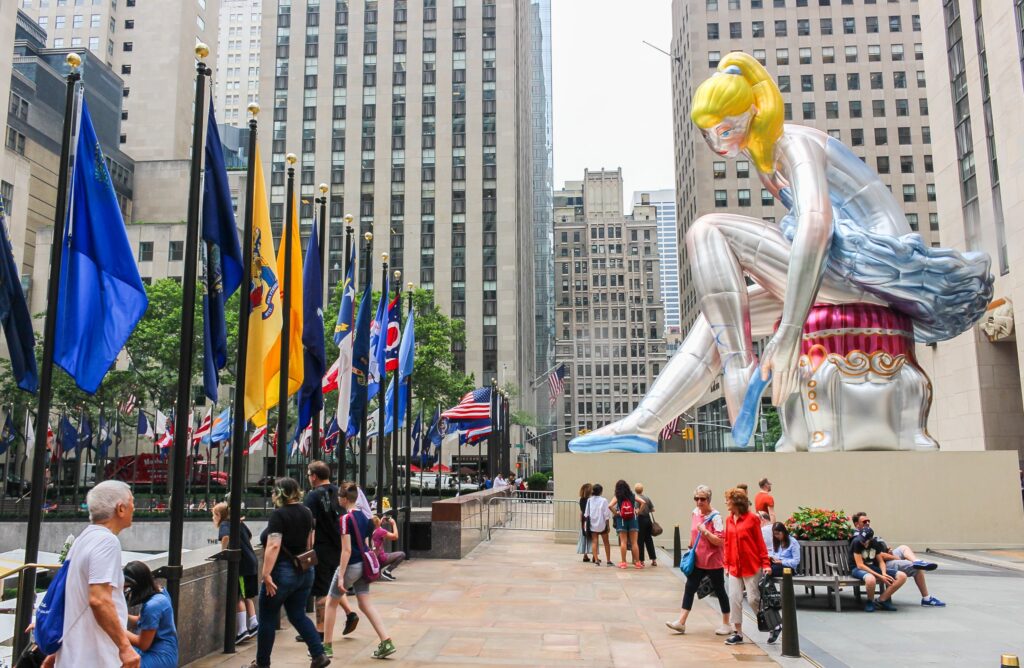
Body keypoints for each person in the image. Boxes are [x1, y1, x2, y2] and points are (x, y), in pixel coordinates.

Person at [568, 52, 991, 455]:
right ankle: (644, 424)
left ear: (752, 111)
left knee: (708, 230)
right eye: (709, 134)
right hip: (843, 279)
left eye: (726, 130)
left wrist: (788, 335)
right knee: (715, 319)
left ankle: (740, 370)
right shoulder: (766, 155)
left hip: (865, 272)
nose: (718, 145)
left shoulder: (792, 141)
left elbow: (815, 225)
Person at [50, 480, 138, 668]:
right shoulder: (106, 542)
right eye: (132, 502)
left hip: (75, 655)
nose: (134, 507)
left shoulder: (83, 539)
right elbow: (99, 599)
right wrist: (125, 647)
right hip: (95, 657)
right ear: (120, 509)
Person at [249, 477, 329, 668]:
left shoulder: (279, 515)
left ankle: (262, 664)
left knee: (268, 617)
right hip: (304, 571)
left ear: (281, 493)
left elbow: (273, 545)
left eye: (274, 491)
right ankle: (319, 655)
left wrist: (266, 574)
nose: (272, 494)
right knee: (297, 615)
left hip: (282, 572)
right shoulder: (307, 512)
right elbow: (310, 542)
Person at [328, 483, 396, 659]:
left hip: (351, 565)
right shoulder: (365, 518)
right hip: (365, 564)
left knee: (331, 602)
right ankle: (386, 640)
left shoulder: (344, 519)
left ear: (343, 499)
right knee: (365, 604)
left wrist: (341, 576)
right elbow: (364, 542)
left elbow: (346, 550)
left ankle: (325, 647)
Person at [665, 485, 731, 636]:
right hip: (698, 560)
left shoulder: (716, 517)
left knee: (720, 591)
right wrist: (689, 549)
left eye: (702, 499)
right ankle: (681, 622)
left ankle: (726, 623)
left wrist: (705, 531)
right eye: (696, 498)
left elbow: (720, 541)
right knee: (689, 588)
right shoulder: (695, 513)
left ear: (709, 499)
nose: (699, 502)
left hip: (713, 561)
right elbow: (693, 532)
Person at [303, 461, 358, 641]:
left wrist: (307, 549)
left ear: (314, 476)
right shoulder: (339, 492)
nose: (308, 477)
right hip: (341, 547)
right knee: (332, 585)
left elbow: (311, 526)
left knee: (321, 592)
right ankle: (350, 613)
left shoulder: (312, 496)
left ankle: (319, 633)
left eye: (309, 474)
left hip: (322, 548)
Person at [851, 512, 944, 607]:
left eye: (868, 520)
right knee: (916, 568)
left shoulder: (869, 533)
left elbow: (878, 549)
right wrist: (894, 557)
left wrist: (888, 550)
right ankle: (926, 598)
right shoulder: (858, 538)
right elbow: (877, 556)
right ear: (856, 524)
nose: (867, 522)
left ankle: (916, 561)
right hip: (881, 563)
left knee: (904, 548)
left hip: (885, 557)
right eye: (864, 521)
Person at [722, 487, 770, 645]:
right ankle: (738, 633)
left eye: (728, 500)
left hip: (751, 565)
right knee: (734, 598)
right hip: (734, 566)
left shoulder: (752, 519)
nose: (726, 502)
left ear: (736, 502)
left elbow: (760, 543)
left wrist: (765, 564)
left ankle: (772, 624)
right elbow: (727, 544)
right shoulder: (728, 519)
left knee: (753, 599)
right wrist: (727, 564)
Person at [211, 502, 258, 643]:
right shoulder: (238, 523)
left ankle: (242, 630)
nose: (213, 518)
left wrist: (224, 551)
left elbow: (225, 537)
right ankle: (254, 623)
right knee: (247, 596)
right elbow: (249, 536)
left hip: (242, 565)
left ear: (219, 515)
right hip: (251, 561)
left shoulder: (225, 524)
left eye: (214, 515)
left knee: (238, 597)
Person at [123, 561, 177, 668]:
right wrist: (118, 616)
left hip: (159, 656)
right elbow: (141, 620)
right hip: (161, 649)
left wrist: (116, 629)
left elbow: (143, 644)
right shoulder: (160, 592)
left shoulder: (153, 606)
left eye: (127, 587)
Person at [849, 526, 907, 612]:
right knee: (871, 579)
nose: (862, 541)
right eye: (861, 539)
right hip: (857, 569)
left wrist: (883, 573)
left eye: (864, 540)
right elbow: (860, 565)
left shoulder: (875, 543)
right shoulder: (856, 542)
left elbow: (881, 561)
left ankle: (882, 600)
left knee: (902, 576)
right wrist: (880, 576)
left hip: (872, 567)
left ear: (870, 539)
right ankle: (870, 601)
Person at [608, 479, 646, 569]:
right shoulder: (632, 495)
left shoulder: (617, 496)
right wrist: (638, 512)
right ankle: (637, 563)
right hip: (633, 519)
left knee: (623, 542)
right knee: (634, 542)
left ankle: (624, 562)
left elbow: (610, 506)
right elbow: (643, 502)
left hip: (622, 520)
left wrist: (616, 513)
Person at [370, 514, 406, 581]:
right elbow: (395, 536)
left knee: (387, 554)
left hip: (373, 559)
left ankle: (378, 572)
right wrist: (394, 524)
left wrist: (380, 523)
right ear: (378, 522)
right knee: (402, 554)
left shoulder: (372, 531)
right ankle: (387, 572)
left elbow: (377, 528)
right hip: (380, 558)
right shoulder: (380, 531)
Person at [585, 483, 613, 566]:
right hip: (602, 524)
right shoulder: (604, 500)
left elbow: (586, 513)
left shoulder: (589, 500)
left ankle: (596, 559)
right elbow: (606, 514)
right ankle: (608, 560)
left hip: (593, 524)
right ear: (601, 491)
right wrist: (608, 525)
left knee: (594, 541)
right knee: (606, 542)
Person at [633, 483, 657, 567]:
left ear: (635, 490)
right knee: (649, 539)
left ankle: (641, 560)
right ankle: (653, 559)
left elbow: (636, 510)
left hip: (640, 520)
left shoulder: (636, 498)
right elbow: (653, 509)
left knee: (640, 540)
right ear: (642, 490)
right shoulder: (647, 498)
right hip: (648, 519)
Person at [577, 483, 593, 563]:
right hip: (590, 519)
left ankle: (585, 555)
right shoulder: (590, 500)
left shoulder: (581, 500)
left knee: (584, 536)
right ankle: (594, 556)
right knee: (593, 537)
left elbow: (581, 511)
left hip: (584, 520)